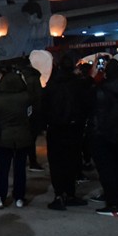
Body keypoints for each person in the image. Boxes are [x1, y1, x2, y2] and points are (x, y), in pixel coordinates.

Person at [42, 54, 91, 210]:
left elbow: (45, 106)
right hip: (73, 127)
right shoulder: (78, 84)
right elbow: (85, 105)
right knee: (71, 161)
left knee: (56, 163)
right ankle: (69, 193)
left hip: (56, 127)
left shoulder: (52, 85)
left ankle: (59, 194)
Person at [88, 58, 118, 217]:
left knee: (107, 170)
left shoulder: (100, 90)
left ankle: (113, 204)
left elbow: (96, 113)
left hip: (104, 134)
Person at [0, 67, 32, 209]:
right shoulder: (26, 97)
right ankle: (19, 197)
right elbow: (31, 115)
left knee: (3, 169)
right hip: (23, 136)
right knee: (20, 169)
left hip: (4, 137)